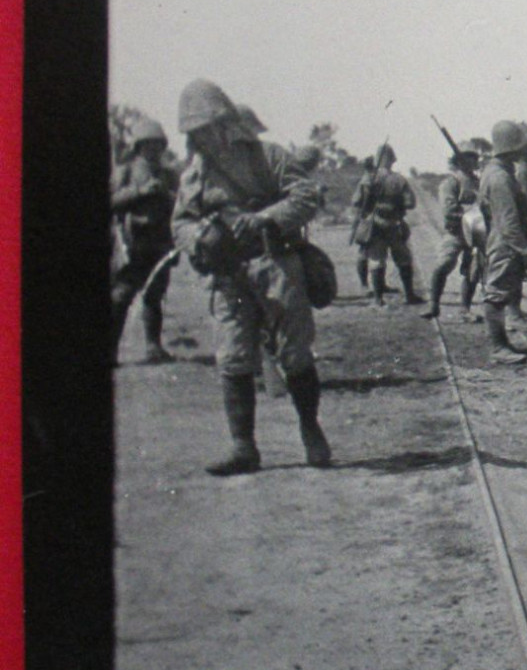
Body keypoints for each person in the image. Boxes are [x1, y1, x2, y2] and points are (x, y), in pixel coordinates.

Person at [171, 80, 328, 474]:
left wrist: (263, 219)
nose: (205, 137)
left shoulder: (268, 156)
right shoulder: (195, 174)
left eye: (211, 126)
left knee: (294, 353)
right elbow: (180, 223)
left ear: (228, 123)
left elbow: (305, 196)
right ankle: (243, 447)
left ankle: (311, 430)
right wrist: (199, 238)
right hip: (229, 274)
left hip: (276, 263)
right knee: (233, 355)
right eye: (197, 132)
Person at [111, 115, 180, 363]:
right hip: (133, 242)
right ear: (138, 146)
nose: (153, 149)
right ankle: (110, 350)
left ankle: (153, 347)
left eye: (157, 144)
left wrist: (166, 194)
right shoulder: (126, 171)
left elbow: (182, 204)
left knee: (155, 295)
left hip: (161, 242)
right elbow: (112, 201)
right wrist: (140, 192)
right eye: (148, 144)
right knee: (121, 296)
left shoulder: (169, 174)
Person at [477, 120, 527, 364]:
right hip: (505, 243)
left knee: (502, 290)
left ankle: (501, 344)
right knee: (497, 293)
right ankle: (498, 347)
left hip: (504, 241)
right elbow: (508, 222)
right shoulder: (500, 178)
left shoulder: (500, 173)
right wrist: (525, 251)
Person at [422, 144, 482, 322]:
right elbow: (449, 210)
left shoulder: (479, 182)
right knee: (444, 264)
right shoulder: (450, 183)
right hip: (456, 232)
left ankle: (465, 310)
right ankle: (433, 305)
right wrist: (472, 210)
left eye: (473, 157)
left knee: (473, 272)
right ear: (457, 161)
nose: (470, 161)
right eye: (466, 157)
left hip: (478, 234)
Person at [358, 144, 422, 307]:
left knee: (376, 261)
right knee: (404, 259)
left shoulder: (368, 179)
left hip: (375, 225)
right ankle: (409, 295)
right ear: (392, 160)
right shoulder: (399, 179)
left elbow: (357, 201)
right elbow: (410, 203)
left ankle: (378, 299)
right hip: (395, 224)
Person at [350, 156, 376, 290]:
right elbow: (363, 201)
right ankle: (364, 283)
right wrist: (363, 218)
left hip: (367, 217)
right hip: (367, 218)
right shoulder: (367, 179)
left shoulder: (369, 178)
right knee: (364, 251)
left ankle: (374, 284)